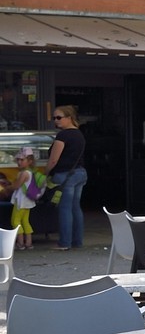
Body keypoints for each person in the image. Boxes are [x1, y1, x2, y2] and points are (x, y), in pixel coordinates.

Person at [43, 104, 87, 251]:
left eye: (59, 117)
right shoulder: (79, 134)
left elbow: (54, 160)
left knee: (64, 208)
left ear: (69, 118)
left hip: (65, 175)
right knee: (75, 207)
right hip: (80, 173)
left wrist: (46, 173)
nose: (56, 120)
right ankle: (77, 241)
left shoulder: (63, 135)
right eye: (55, 118)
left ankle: (64, 242)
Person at [9, 147, 44, 250]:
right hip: (28, 201)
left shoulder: (24, 173)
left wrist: (6, 188)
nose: (19, 162)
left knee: (15, 221)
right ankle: (28, 243)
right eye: (18, 160)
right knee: (25, 221)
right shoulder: (30, 172)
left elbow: (16, 186)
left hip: (20, 201)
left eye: (22, 160)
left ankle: (20, 243)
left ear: (30, 161)